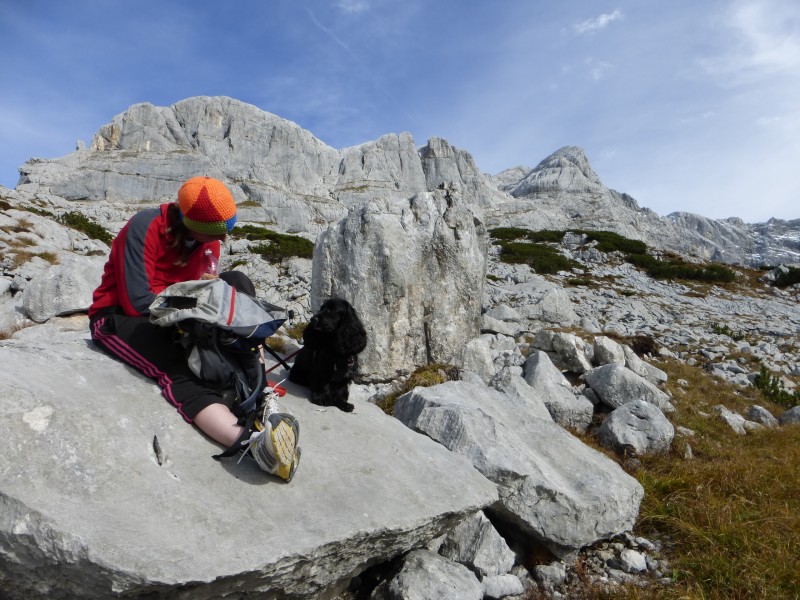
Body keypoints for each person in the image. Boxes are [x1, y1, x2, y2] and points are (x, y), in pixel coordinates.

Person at [89, 176, 300, 481]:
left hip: (178, 313)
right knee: (177, 365)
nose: (219, 242)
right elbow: (136, 302)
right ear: (191, 222)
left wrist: (214, 314)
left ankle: (260, 396)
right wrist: (196, 320)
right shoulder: (144, 227)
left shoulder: (208, 240)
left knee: (238, 284)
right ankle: (251, 444)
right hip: (119, 317)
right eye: (213, 235)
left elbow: (203, 285)